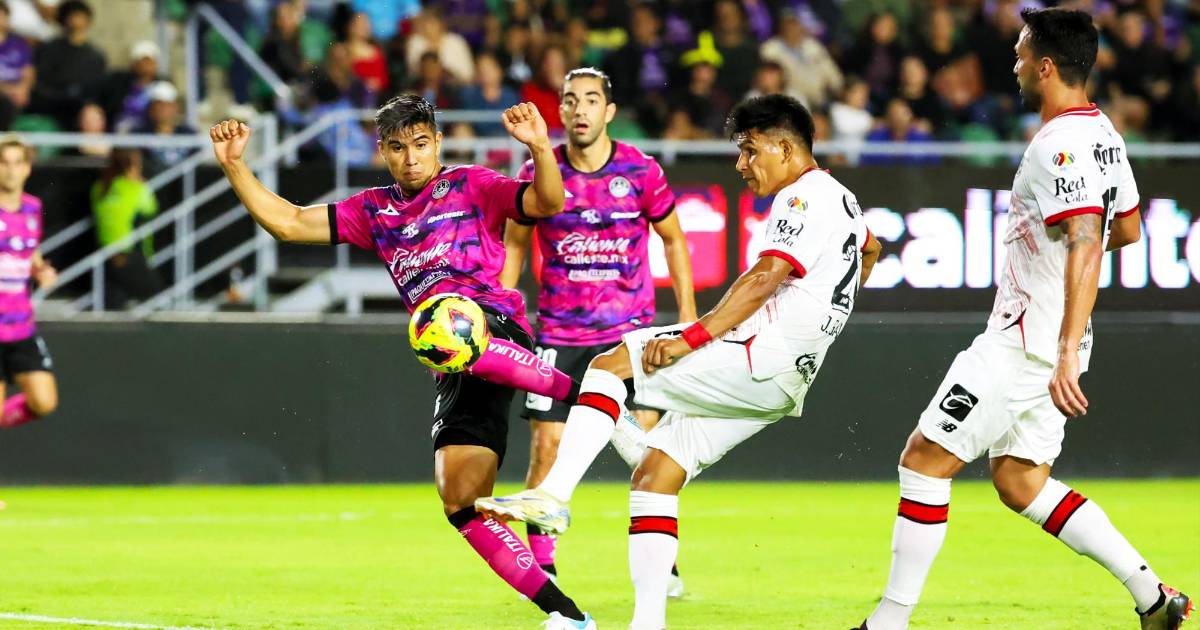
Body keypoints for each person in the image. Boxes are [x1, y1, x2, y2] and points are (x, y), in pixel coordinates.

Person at [476, 94, 882, 630]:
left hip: (757, 356)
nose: (741, 164)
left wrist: (692, 337)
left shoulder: (801, 197)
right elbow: (870, 249)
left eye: (750, 150)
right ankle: (648, 623)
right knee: (655, 475)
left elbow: (764, 277)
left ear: (786, 149)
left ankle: (553, 494)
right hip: (788, 379)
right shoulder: (843, 198)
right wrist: (827, 314)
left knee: (610, 365)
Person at [853, 9, 1192, 630]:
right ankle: (1152, 596)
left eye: (1019, 56)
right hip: (1056, 338)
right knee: (1020, 480)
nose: (1013, 67)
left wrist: (1062, 344)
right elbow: (1127, 229)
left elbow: (1088, 237)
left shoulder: (1059, 144)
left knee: (923, 461)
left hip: (1027, 341)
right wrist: (1066, 291)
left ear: (1045, 66)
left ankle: (887, 623)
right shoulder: (1104, 133)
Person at [209, 95, 597, 630]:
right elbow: (291, 223)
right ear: (383, 151)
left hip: (491, 322)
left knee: (443, 324)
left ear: (437, 142)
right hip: (451, 358)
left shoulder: (473, 184)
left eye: (420, 144)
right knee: (460, 501)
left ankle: (589, 398)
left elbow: (547, 202)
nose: (411, 158)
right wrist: (234, 165)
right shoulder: (374, 210)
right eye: (397, 148)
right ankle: (569, 616)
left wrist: (539, 148)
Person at [501, 67, 696, 594]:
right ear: (560, 111)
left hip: (630, 338)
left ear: (609, 111)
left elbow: (674, 240)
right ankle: (543, 567)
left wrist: (686, 322)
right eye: (570, 100)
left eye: (590, 100)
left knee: (649, 455)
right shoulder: (538, 170)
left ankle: (662, 564)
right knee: (547, 448)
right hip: (559, 335)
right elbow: (515, 243)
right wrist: (502, 311)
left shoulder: (641, 170)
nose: (579, 109)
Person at [0, 136, 58, 431]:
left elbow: (30, 251)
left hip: (21, 325)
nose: (11, 170)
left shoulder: (33, 208)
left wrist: (40, 269)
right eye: (4, 163)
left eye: (17, 163)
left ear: (27, 168)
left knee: (44, 401)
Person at [90, 148, 162, 307]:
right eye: (139, 164)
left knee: (115, 300)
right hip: (130, 250)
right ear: (132, 166)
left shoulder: (100, 187)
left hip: (106, 250)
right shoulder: (136, 189)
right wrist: (142, 183)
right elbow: (151, 209)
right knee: (154, 294)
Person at [28, 0, 105, 129]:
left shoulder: (96, 55)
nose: (76, 21)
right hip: (51, 106)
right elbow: (39, 83)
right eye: (72, 16)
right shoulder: (49, 49)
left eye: (80, 16)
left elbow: (98, 87)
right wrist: (62, 97)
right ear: (63, 19)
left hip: (81, 109)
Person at [0, 1, 33, 131]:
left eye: (2, 15)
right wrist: (9, 90)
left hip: (17, 94)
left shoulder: (19, 44)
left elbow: (28, 72)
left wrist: (23, 89)